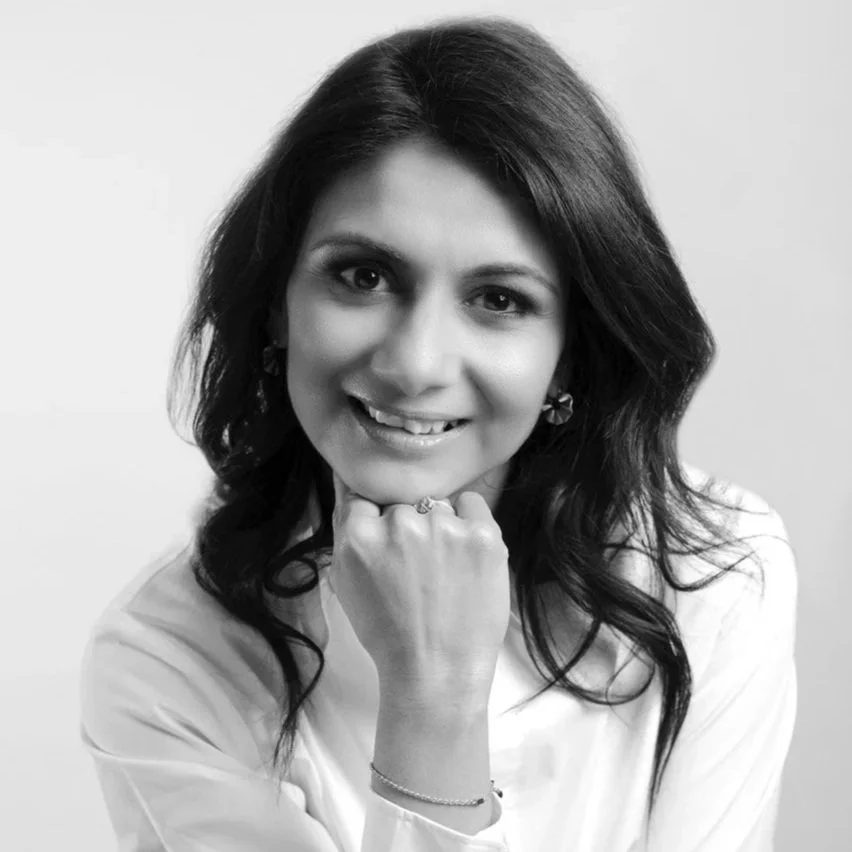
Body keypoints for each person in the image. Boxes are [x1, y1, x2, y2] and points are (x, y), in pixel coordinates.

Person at [78, 14, 798, 852]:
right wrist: (432, 700)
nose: (416, 363)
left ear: (567, 357)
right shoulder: (167, 663)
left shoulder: (714, 574)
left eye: (500, 300)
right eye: (365, 275)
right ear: (278, 303)